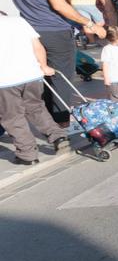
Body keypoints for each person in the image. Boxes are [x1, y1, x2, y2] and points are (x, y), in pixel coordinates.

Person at [10, 0, 106, 124]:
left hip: (30, 32)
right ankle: (62, 123)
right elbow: (59, 5)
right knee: (63, 79)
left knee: (44, 77)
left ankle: (49, 121)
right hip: (54, 32)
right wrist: (90, 24)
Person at [0, 12, 70, 165]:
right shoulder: (19, 21)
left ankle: (27, 154)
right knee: (36, 108)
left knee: (13, 117)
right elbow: (38, 47)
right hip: (31, 75)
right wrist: (44, 66)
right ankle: (58, 136)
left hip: (5, 81)